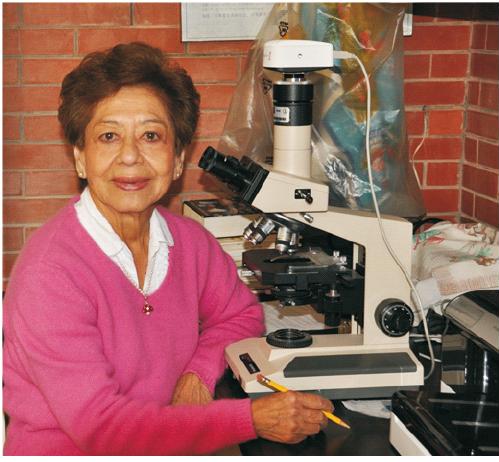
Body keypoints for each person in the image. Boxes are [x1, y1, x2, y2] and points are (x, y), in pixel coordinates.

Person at [2, 42, 333, 456]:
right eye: (108, 136)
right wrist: (250, 420)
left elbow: (240, 314)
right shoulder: (49, 273)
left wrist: (198, 374)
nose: (129, 156)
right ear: (81, 158)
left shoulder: (190, 243)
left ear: (177, 159)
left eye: (151, 136)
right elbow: (102, 429)